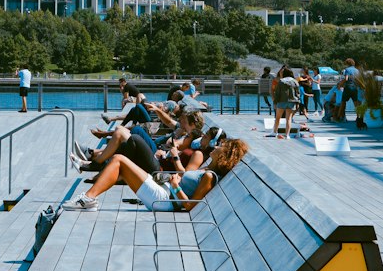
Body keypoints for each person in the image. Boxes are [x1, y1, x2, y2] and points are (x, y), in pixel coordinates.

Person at [65, 137, 249, 212]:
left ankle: (88, 198)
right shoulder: (207, 170)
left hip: (164, 199)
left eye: (220, 147)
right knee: (119, 161)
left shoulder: (210, 177)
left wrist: (176, 185)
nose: (216, 147)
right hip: (164, 191)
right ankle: (89, 197)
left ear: (225, 155)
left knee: (120, 160)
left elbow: (191, 206)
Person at [272, 68, 301, 138]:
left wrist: (275, 102)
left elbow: (277, 93)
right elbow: (298, 93)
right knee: (288, 119)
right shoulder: (295, 81)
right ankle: (287, 135)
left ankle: (274, 132)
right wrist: (298, 101)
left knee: (278, 118)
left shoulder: (281, 81)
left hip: (282, 101)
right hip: (291, 101)